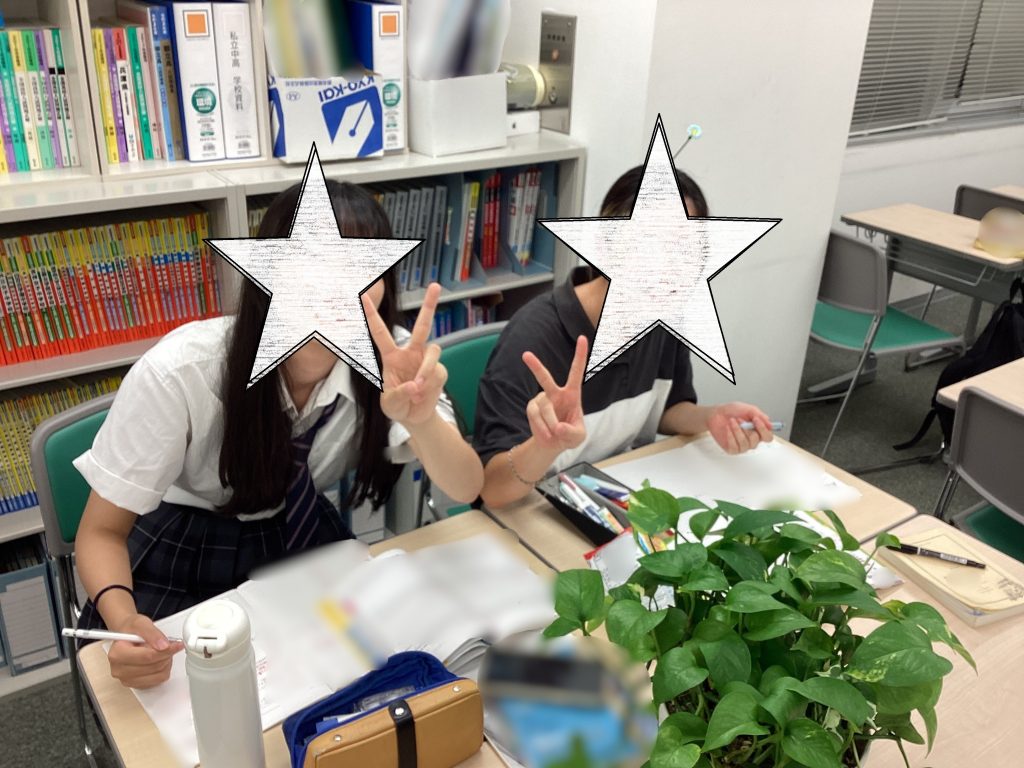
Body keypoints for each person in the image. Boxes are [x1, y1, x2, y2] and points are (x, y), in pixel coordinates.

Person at [73, 181, 483, 688]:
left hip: (296, 530)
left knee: (353, 678)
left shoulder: (394, 360)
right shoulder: (183, 371)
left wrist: (422, 421)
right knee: (185, 692)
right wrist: (124, 621)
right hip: (186, 538)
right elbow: (101, 532)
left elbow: (465, 487)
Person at [474, 166, 774, 509]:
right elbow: (492, 488)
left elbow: (667, 408)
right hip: (533, 510)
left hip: (617, 496)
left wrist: (711, 417)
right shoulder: (533, 338)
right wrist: (545, 446)